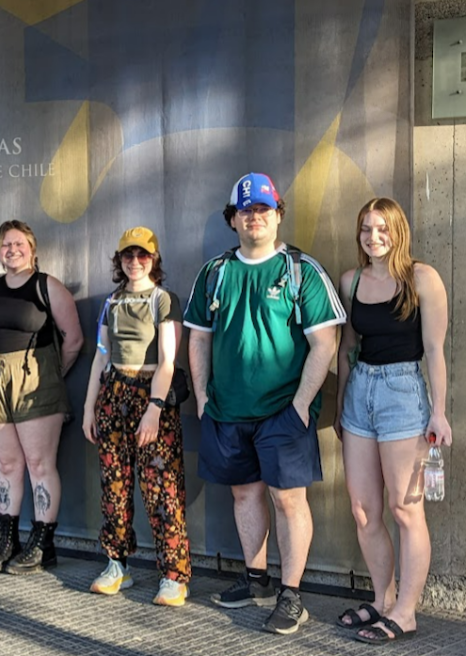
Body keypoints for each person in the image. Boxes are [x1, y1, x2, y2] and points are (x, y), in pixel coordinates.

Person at [184, 173, 345, 634]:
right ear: (232, 220)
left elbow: (324, 344)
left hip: (283, 410)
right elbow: (198, 337)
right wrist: (201, 395)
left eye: (263, 209)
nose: (254, 217)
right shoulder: (215, 272)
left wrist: (299, 405)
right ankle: (256, 581)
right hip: (227, 410)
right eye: (245, 210)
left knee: (288, 499)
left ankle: (291, 595)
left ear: (278, 215)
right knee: (244, 493)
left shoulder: (301, 270)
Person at [333, 198, 451, 644]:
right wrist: (344, 401)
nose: (373, 237)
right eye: (365, 228)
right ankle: (384, 600)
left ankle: (406, 612)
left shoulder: (422, 278)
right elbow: (349, 347)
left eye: (382, 228)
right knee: (364, 510)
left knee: (405, 509)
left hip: (403, 394)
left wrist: (438, 410)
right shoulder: (351, 281)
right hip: (360, 394)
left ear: (398, 230)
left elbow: (436, 349)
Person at [0, 220, 83, 574]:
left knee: (40, 465)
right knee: (7, 465)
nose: (12, 250)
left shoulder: (46, 286)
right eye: (5, 245)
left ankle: (43, 543)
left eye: (19, 243)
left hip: (35, 381)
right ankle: (8, 538)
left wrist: (48, 377)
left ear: (32, 248)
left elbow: (74, 340)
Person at [82, 227, 191, 605]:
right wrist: (88, 407)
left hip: (151, 396)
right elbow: (101, 354)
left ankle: (174, 574)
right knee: (114, 485)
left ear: (154, 259)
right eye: (128, 255)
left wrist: (154, 411)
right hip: (113, 394)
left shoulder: (164, 300)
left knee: (162, 486)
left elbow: (168, 360)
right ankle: (117, 564)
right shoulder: (111, 301)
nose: (134, 261)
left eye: (142, 255)